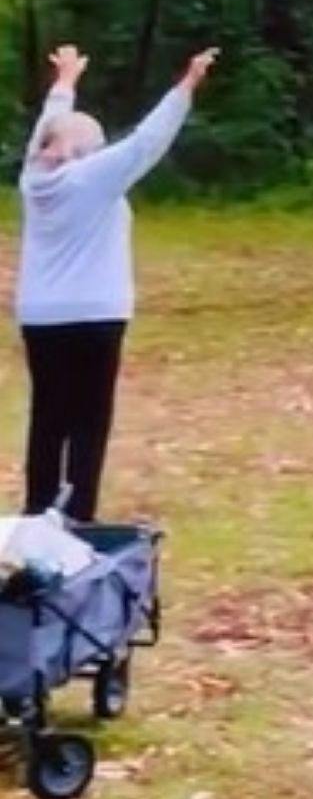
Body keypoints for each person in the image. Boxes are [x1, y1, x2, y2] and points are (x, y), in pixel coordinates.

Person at [17, 44, 217, 523]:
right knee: (89, 421)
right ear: (88, 153)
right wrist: (186, 86)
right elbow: (147, 141)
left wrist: (65, 82)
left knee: (48, 417)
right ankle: (78, 516)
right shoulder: (93, 178)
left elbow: (50, 126)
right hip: (96, 315)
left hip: (41, 315)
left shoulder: (33, 176)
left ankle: (38, 512)